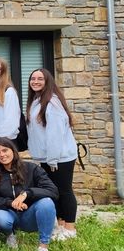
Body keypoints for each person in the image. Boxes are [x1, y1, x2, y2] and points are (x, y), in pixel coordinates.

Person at [0, 138, 58, 251]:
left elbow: (53, 191)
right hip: (9, 216)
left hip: (30, 216)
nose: (2, 155)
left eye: (5, 150)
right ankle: (10, 235)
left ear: (13, 150)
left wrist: (27, 194)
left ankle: (43, 248)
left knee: (46, 202)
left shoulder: (32, 169)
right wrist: (10, 203)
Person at [26, 68, 78, 240]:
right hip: (47, 158)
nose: (35, 81)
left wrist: (53, 159)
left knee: (64, 191)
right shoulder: (37, 101)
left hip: (59, 157)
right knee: (54, 191)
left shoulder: (52, 103)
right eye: (33, 78)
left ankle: (70, 229)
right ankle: (60, 226)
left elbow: (55, 134)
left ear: (47, 81)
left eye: (40, 79)